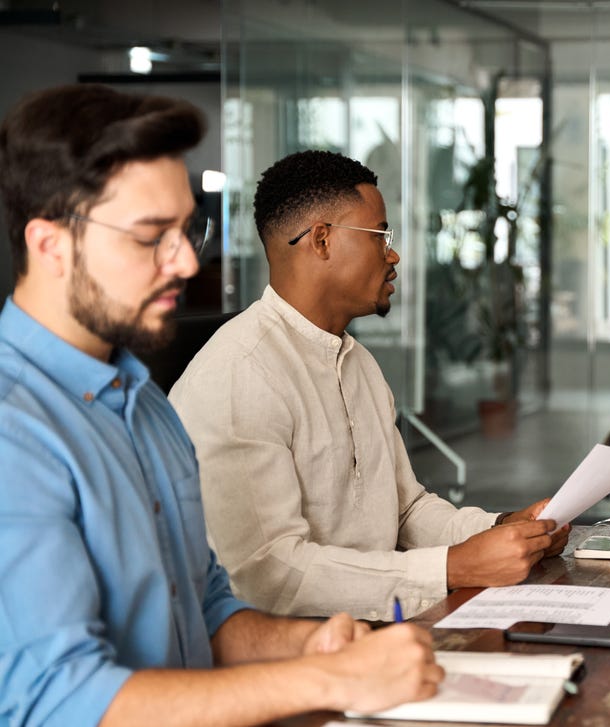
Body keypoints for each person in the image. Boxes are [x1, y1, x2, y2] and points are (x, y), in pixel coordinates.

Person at [0, 84, 441, 726]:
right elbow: (59, 700)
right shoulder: (15, 431)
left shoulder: (145, 408)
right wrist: (324, 677)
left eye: (188, 229)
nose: (184, 263)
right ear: (50, 245)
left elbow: (203, 612)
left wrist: (310, 642)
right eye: (152, 236)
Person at [169, 150, 568, 621]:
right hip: (293, 660)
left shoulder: (357, 362)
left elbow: (404, 511)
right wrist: (451, 568)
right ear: (321, 241)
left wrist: (503, 528)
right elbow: (270, 575)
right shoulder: (239, 375)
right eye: (381, 236)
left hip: (377, 629)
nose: (393, 254)